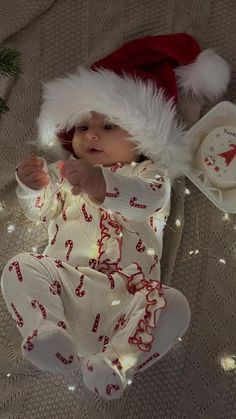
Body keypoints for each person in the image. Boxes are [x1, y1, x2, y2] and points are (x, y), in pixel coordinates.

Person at [1, 33, 230, 400]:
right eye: (82, 127)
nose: (91, 134)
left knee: (174, 305)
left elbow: (148, 200)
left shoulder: (149, 175)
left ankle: (115, 363)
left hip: (130, 301)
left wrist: (101, 183)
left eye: (109, 126)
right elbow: (41, 211)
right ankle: (45, 331)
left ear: (143, 139)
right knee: (20, 266)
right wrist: (31, 187)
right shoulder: (63, 171)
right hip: (66, 289)